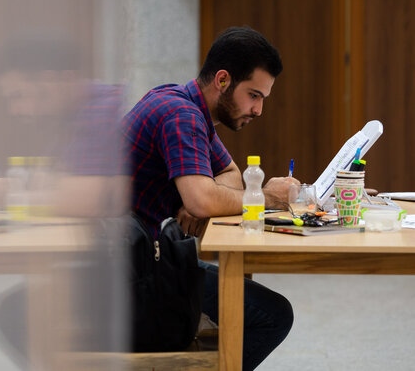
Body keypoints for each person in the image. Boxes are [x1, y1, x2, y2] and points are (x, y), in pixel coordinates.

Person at [122, 26, 299, 370]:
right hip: (136, 272)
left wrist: (198, 196)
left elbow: (230, 175)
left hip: (147, 254)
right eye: (254, 95)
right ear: (222, 80)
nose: (258, 109)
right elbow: (204, 200)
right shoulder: (181, 115)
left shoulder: (183, 103)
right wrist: (269, 198)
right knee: (274, 315)